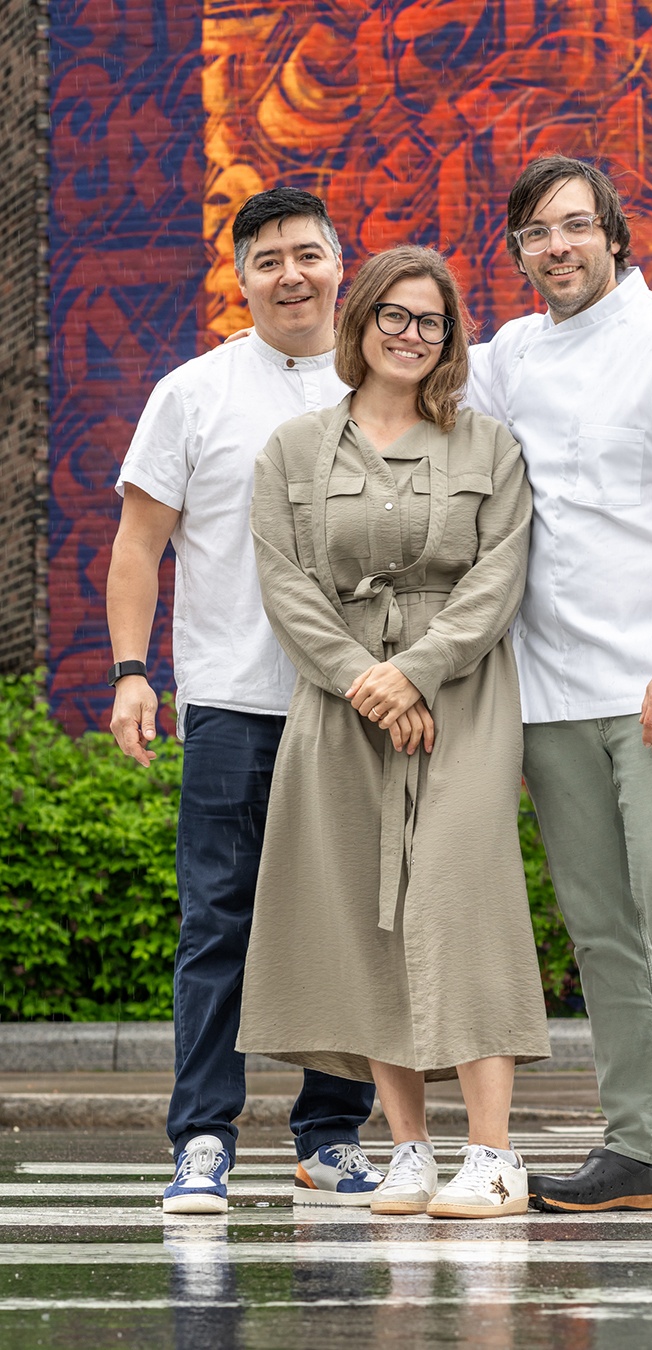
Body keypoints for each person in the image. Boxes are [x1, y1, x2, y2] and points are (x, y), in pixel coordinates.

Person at [468, 154, 652, 1220]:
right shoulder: (510, 355)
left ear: (614, 234)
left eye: (573, 227)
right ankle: (636, 1149)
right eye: (534, 236)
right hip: (551, 694)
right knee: (600, 931)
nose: (555, 249)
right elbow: (401, 376)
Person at [237, 245, 551, 1219]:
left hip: (461, 692)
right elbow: (284, 581)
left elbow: (499, 577)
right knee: (366, 913)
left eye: (432, 322)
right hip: (340, 699)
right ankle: (408, 1148)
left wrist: (412, 673)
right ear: (359, 321)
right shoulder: (293, 448)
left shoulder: (485, 446)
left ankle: (493, 1155)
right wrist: (364, 680)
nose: (413, 336)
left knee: (462, 893)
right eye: (396, 317)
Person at [106, 187, 382, 1214]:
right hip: (232, 698)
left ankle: (328, 1134)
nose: (290, 274)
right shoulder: (194, 392)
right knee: (217, 921)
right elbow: (138, 544)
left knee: (357, 922)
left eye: (307, 253)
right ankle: (203, 1139)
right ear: (241, 275)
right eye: (266, 259)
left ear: (338, 263)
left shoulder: (385, 381)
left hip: (363, 697)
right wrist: (134, 672)